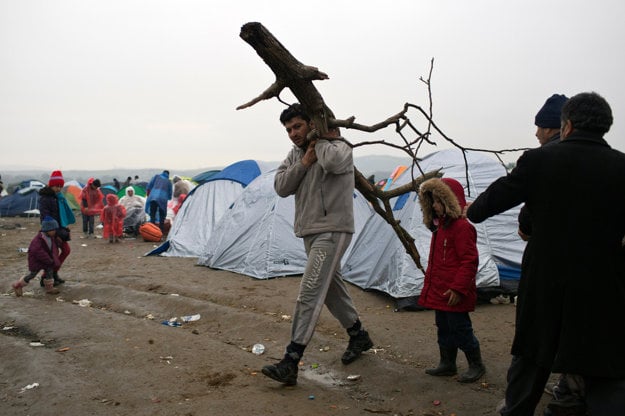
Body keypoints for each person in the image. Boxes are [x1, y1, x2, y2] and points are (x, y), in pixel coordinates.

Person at [466, 92, 625, 416]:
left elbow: (488, 205)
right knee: (601, 366)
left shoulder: (540, 161)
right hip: (603, 287)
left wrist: (473, 210)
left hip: (546, 284)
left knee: (532, 357)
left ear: (565, 126)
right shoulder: (621, 167)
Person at [261, 103, 373, 386]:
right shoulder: (296, 154)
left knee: (310, 290)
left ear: (312, 124)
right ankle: (358, 335)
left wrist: (321, 139)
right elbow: (281, 186)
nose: (292, 134)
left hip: (333, 229)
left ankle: (291, 359)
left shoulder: (339, 147)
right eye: (288, 129)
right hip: (310, 231)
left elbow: (334, 164)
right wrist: (305, 162)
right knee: (331, 288)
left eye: (297, 126)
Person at [417, 177, 485, 383]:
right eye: (433, 201)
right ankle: (447, 363)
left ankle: (476, 364)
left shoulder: (463, 228)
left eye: (439, 201)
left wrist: (458, 288)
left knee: (460, 328)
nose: (436, 206)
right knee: (443, 327)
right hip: (440, 291)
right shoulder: (440, 228)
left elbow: (469, 261)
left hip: (455, 293)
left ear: (451, 201)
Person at [38, 170, 75, 286]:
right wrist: (54, 234)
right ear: (51, 184)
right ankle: (46, 277)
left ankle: (53, 274)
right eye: (56, 186)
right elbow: (45, 217)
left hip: (59, 229)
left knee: (65, 251)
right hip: (50, 231)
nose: (58, 188)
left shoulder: (58, 197)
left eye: (60, 186)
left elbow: (61, 215)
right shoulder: (45, 198)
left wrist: (65, 229)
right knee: (53, 255)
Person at [11, 216, 62, 296]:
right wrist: (48, 259)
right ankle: (18, 285)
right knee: (32, 274)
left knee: (49, 272)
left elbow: (53, 249)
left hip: (46, 260)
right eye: (53, 230)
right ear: (47, 229)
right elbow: (38, 251)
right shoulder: (38, 239)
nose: (54, 231)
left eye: (55, 229)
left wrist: (54, 259)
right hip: (36, 261)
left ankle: (49, 288)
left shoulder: (51, 238)